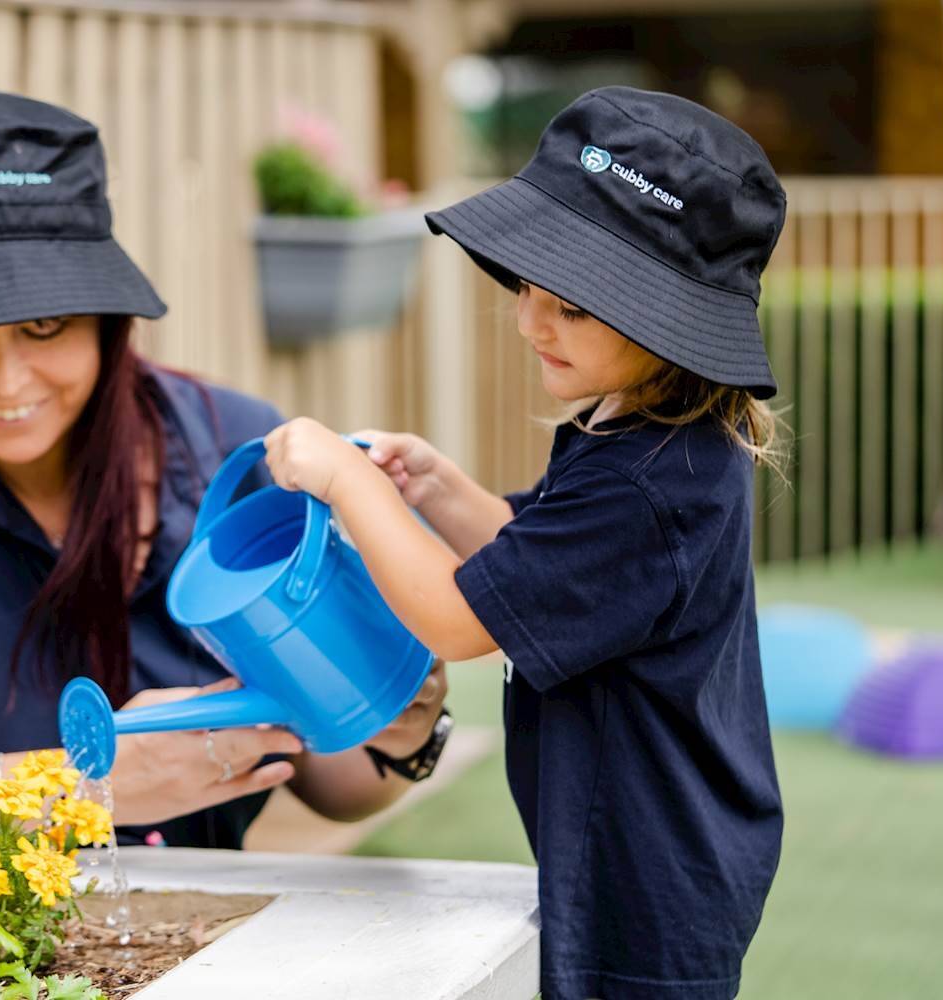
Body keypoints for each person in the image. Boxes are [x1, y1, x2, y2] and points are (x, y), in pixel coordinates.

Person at [0, 89, 451, 849]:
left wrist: (402, 730)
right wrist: (78, 787)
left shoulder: (232, 446)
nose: (8, 382)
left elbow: (337, 780)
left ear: (107, 319)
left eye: (45, 326)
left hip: (201, 940)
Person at [262, 87, 785, 998]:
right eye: (530, 289)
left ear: (669, 329)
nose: (532, 322)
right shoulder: (644, 433)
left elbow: (467, 619)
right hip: (661, 847)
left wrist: (345, 482)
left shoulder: (646, 482)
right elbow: (534, 565)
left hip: (649, 884)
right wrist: (437, 488)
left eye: (574, 309)